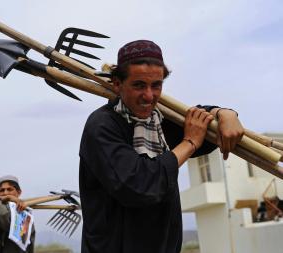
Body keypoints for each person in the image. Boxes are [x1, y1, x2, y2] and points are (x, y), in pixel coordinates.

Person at [79, 40, 244, 253]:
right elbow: (139, 185)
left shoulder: (157, 120)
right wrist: (189, 142)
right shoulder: (102, 126)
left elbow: (199, 122)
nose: (149, 96)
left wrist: (224, 113)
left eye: (156, 85)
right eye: (139, 85)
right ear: (117, 84)